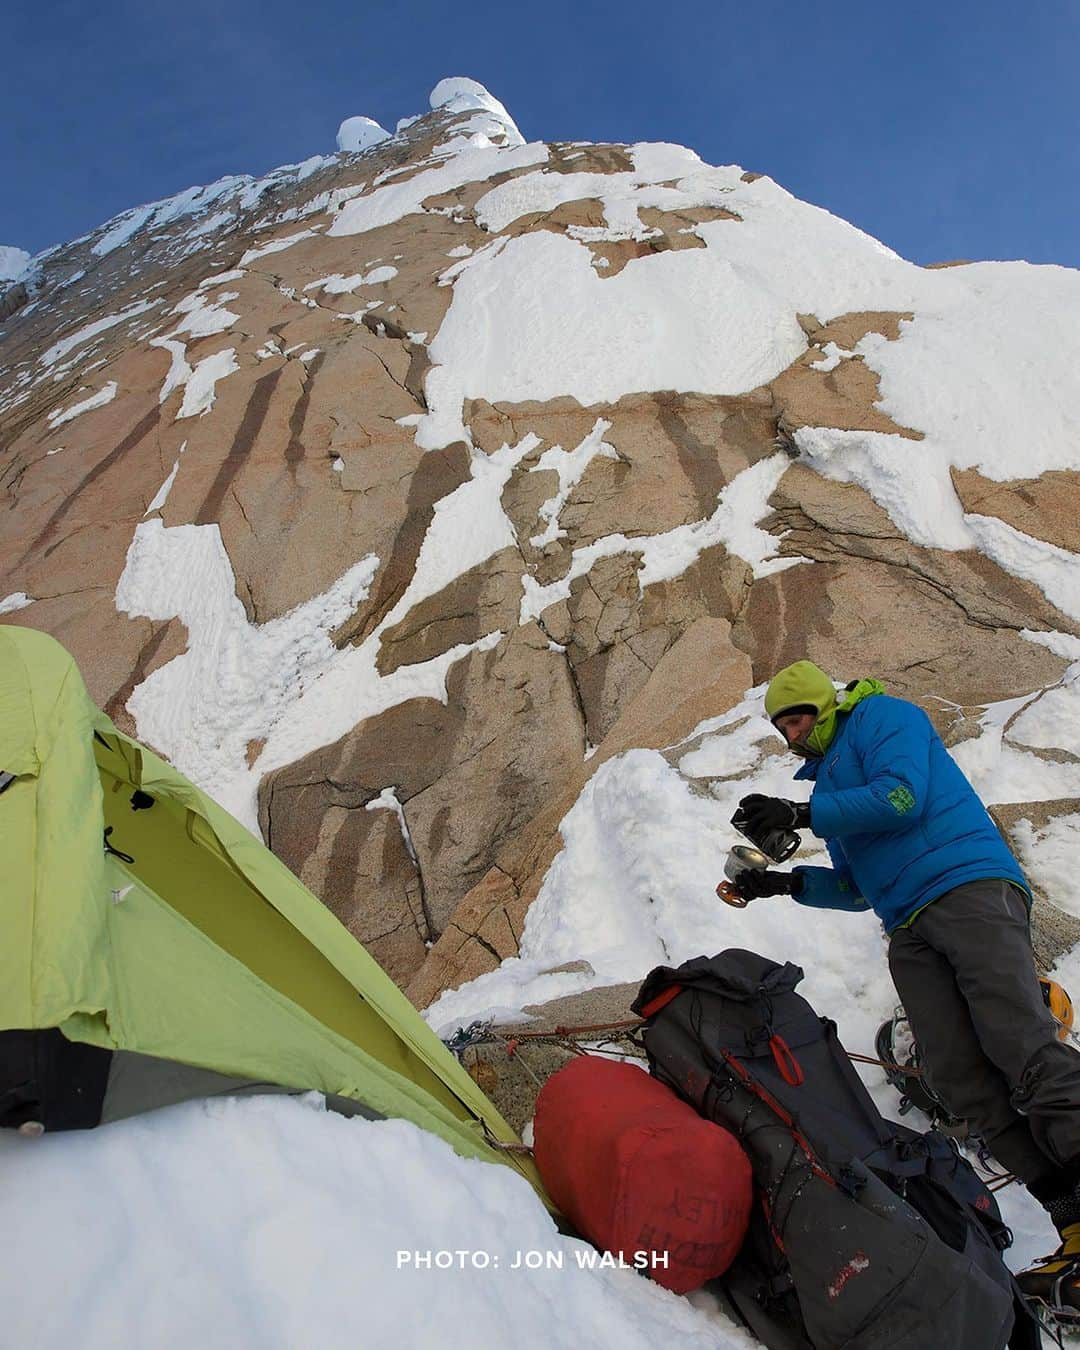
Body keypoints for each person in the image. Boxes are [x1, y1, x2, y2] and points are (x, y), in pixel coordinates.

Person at [730, 659, 1080, 1317]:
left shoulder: (882, 719)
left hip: (965, 885)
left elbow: (901, 797)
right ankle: (1073, 1218)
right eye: (780, 727)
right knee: (959, 1078)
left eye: (797, 718)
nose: (791, 735)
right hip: (909, 922)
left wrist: (802, 812)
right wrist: (783, 884)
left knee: (1021, 1045)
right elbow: (859, 888)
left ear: (822, 706)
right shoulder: (832, 780)